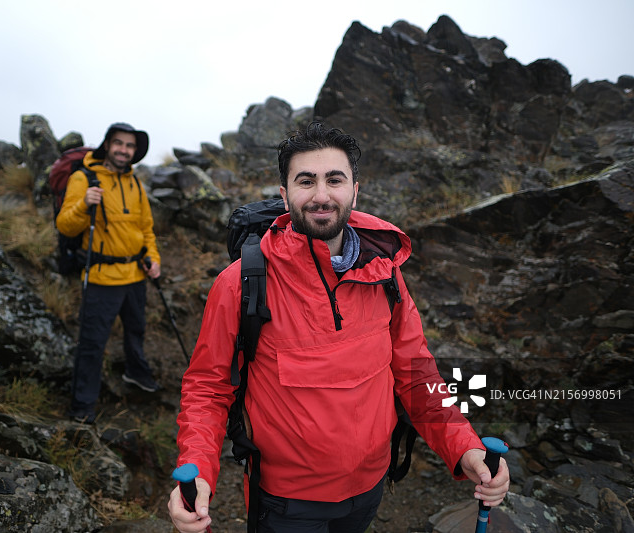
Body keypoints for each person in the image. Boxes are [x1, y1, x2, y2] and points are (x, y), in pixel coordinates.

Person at [168, 122, 509, 532]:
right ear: (285, 195)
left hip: (369, 487)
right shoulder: (239, 283)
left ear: (355, 190)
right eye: (306, 181)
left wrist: (465, 447)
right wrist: (197, 468)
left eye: (335, 179)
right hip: (284, 500)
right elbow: (208, 388)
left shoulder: (385, 274)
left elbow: (417, 374)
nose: (321, 195)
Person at [57, 122, 161, 423]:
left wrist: (152, 258)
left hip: (135, 276)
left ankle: (136, 374)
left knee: (136, 330)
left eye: (129, 146)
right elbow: (65, 225)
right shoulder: (85, 178)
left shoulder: (135, 183)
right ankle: (82, 407)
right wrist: (82, 205)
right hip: (102, 277)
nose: (123, 150)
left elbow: (146, 228)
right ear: (107, 145)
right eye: (118, 143)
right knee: (92, 344)